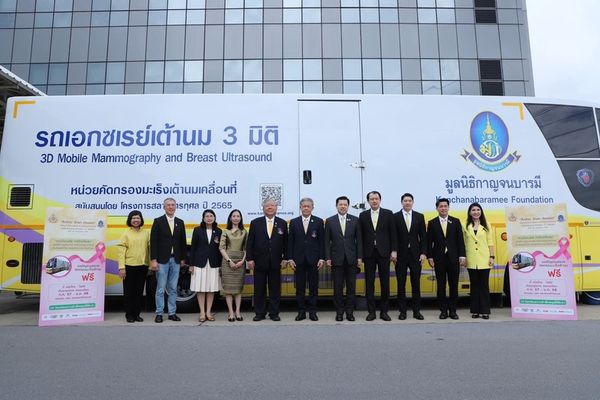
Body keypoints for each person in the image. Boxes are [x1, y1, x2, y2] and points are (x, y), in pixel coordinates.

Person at [246, 198, 288, 321]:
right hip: (259, 261)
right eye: (267, 205)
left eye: (273, 205)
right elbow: (250, 243)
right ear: (263, 208)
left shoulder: (282, 223)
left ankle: (274, 313)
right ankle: (260, 313)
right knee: (259, 288)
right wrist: (250, 258)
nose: (270, 207)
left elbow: (286, 243)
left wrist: (285, 258)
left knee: (275, 289)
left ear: (276, 208)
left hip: (276, 262)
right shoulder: (255, 223)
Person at [359, 191, 397, 321]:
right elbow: (361, 236)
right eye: (371, 199)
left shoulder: (388, 214)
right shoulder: (363, 215)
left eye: (376, 199)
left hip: (384, 253)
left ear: (380, 200)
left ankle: (384, 312)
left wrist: (394, 250)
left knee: (384, 282)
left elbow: (393, 233)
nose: (374, 201)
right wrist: (361, 254)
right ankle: (372, 312)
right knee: (369, 283)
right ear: (368, 201)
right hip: (369, 253)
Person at [325, 196, 363, 322]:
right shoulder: (330, 221)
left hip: (352, 259)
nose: (342, 206)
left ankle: (350, 312)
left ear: (348, 206)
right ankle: (339, 312)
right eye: (340, 204)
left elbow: (359, 241)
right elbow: (326, 242)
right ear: (336, 206)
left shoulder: (355, 220)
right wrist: (328, 257)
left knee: (351, 287)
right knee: (338, 287)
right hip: (336, 259)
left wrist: (359, 257)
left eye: (345, 204)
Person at [427, 198, 466, 320]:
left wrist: (462, 255)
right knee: (441, 286)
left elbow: (460, 240)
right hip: (439, 259)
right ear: (437, 208)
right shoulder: (432, 223)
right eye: (441, 206)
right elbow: (429, 242)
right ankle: (443, 310)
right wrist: (430, 257)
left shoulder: (455, 221)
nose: (443, 208)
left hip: (453, 259)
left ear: (448, 207)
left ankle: (453, 311)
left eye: (445, 206)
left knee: (453, 286)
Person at [150, 197, 187, 323]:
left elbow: (182, 242)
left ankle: (172, 313)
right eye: (168, 205)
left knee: (172, 288)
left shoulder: (180, 222)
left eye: (173, 205)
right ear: (164, 207)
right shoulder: (158, 221)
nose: (171, 207)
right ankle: (159, 313)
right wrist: (153, 259)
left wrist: (183, 258)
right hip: (162, 260)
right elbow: (153, 242)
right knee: (160, 288)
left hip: (175, 260)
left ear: (176, 207)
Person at [288, 198, 325, 321]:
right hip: (298, 260)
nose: (306, 208)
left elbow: (322, 242)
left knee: (313, 288)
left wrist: (321, 258)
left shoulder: (319, 222)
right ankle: (301, 312)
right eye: (304, 206)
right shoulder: (293, 222)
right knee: (300, 288)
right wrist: (290, 258)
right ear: (300, 207)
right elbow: (290, 242)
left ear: (312, 207)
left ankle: (313, 312)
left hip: (314, 260)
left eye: (308, 206)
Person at [393, 193, 427, 320]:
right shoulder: (395, 216)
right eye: (405, 200)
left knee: (416, 284)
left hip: (415, 255)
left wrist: (423, 253)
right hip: (400, 256)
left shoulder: (419, 216)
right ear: (401, 202)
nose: (407, 202)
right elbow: (393, 236)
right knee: (401, 285)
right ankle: (402, 312)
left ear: (413, 202)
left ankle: (416, 311)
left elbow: (423, 236)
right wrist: (394, 251)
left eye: (409, 200)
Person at [189, 209, 222, 322]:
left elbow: (220, 250)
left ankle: (209, 312)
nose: (209, 218)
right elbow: (193, 248)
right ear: (203, 218)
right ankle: (202, 312)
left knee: (211, 288)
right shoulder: (197, 230)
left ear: (214, 218)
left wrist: (221, 265)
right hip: (199, 263)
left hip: (214, 263)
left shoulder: (218, 231)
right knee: (201, 288)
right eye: (207, 216)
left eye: (211, 216)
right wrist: (191, 264)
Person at [117, 210, 150, 323]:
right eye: (133, 218)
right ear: (130, 220)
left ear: (141, 220)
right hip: (129, 266)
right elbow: (121, 252)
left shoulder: (146, 233)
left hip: (142, 266)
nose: (136, 220)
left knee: (139, 291)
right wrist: (121, 267)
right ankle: (129, 315)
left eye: (138, 218)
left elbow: (149, 249)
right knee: (129, 292)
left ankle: (137, 314)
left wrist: (150, 264)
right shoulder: (125, 234)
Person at [463, 202, 495, 320]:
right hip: (471, 259)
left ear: (481, 212)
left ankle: (485, 311)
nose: (476, 212)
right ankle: (475, 310)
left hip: (484, 259)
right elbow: (463, 243)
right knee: (474, 286)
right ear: (470, 212)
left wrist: (492, 257)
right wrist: (464, 257)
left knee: (484, 286)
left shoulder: (486, 225)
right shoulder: (465, 225)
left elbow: (490, 242)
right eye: (473, 210)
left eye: (478, 210)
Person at [219, 209, 248, 322]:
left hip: (240, 261)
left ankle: (238, 312)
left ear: (240, 218)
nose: (236, 218)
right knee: (228, 290)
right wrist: (229, 261)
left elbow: (246, 249)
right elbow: (221, 248)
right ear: (230, 218)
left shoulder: (244, 232)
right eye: (234, 216)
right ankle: (231, 312)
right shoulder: (225, 231)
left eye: (238, 216)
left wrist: (242, 261)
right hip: (227, 261)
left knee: (238, 289)